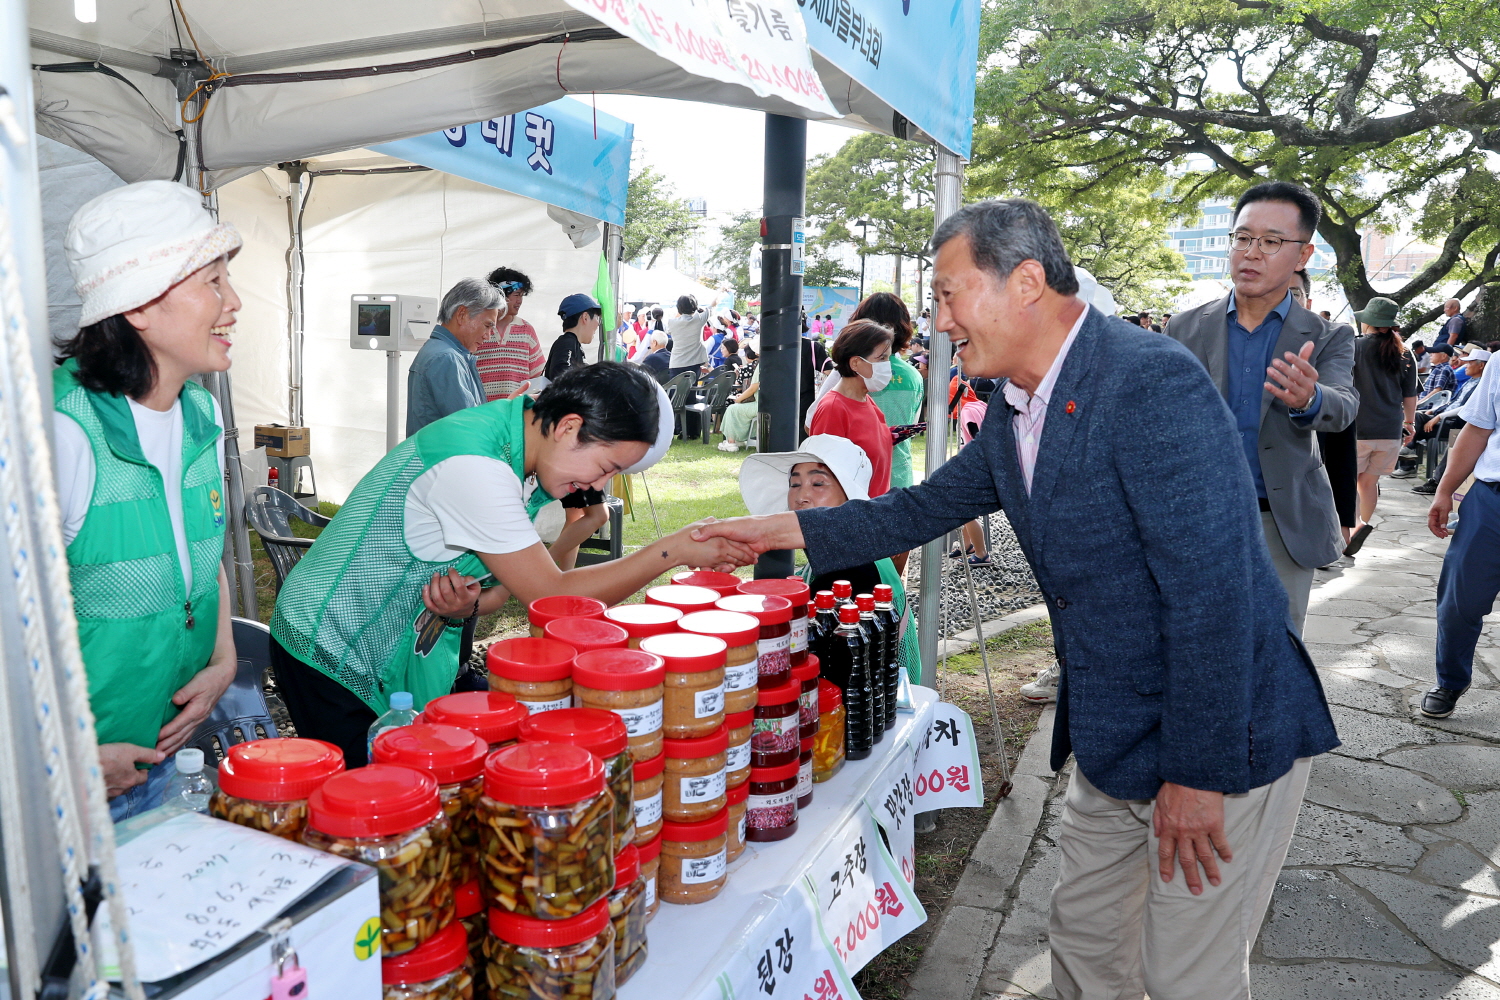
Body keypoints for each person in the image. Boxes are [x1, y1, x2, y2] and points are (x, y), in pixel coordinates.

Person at [692, 198, 1338, 1000]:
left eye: (949, 294)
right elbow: (920, 509)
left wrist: (1198, 777)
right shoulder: (1012, 402)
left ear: (1026, 281)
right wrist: (766, 532)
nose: (939, 321)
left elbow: (1217, 600)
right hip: (1114, 734)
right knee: (1086, 943)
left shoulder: (1149, 383)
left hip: (1219, 739)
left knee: (1186, 976)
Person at [269, 363, 751, 765]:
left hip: (394, 645)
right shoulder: (476, 466)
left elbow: (506, 588)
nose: (596, 486)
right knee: (372, 801)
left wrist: (470, 605)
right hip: (331, 645)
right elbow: (552, 598)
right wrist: (673, 551)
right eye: (605, 468)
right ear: (568, 427)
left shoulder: (523, 450)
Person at [54, 181, 242, 819]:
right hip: (66, 791)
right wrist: (68, 754)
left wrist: (223, 659)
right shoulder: (59, 433)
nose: (234, 302)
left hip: (164, 761)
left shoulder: (199, 416)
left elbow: (204, 554)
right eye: (212, 282)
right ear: (137, 306)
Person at [1166, 180, 1356, 634]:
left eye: (1271, 242)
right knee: (1196, 650)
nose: (1251, 253)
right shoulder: (1185, 328)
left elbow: (1343, 406)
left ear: (1303, 256)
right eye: (1243, 238)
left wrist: (1310, 399)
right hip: (1198, 518)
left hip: (1281, 522)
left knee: (1278, 658)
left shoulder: (1327, 335)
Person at [740, 435, 920, 680]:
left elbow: (834, 668)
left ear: (849, 496)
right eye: (795, 484)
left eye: (818, 483)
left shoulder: (852, 567)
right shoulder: (847, 546)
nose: (801, 496)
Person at [1421, 352, 1500, 718]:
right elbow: (1478, 429)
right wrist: (1444, 490)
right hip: (1490, 499)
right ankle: (1450, 679)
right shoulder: (1499, 363)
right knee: (1459, 600)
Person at [1341, 297, 1418, 556]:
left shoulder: (1353, 347)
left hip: (1356, 428)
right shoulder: (1404, 352)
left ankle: (1353, 527)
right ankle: (1359, 528)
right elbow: (1410, 395)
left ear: (1368, 322)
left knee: (1348, 481)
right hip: (1390, 430)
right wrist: (1410, 423)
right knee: (1369, 482)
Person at [1296, 271, 1358, 555]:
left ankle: (1343, 531)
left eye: (1294, 293)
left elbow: (1344, 396)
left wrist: (1312, 396)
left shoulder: (1334, 338)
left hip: (1334, 425)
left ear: (1307, 301)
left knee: (1344, 472)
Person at [808, 320, 895, 497]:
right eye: (882, 358)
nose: (888, 365)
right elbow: (823, 481)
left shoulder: (867, 401)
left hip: (874, 515)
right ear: (855, 363)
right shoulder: (833, 409)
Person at [849, 293, 925, 489]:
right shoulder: (913, 375)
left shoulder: (856, 369)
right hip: (898, 478)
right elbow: (911, 425)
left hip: (856, 478)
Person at [406, 278, 499, 436]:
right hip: (443, 457)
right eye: (488, 326)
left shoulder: (441, 351)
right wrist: (508, 409)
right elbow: (470, 427)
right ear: (462, 315)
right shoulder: (446, 358)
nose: (488, 336)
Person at [1410, 349, 1490, 495]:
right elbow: (1453, 402)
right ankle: (1408, 454)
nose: (1465, 366)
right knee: (1414, 417)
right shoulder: (1470, 382)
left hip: (1456, 422)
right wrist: (1435, 411)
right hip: (1447, 417)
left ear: (1481, 366)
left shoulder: (1482, 385)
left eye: (1470, 363)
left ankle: (1434, 480)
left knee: (1457, 442)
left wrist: (1439, 417)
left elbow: (1466, 408)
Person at [475, 267, 543, 401]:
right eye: (516, 295)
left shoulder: (526, 330)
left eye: (522, 296)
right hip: (484, 411)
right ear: (500, 294)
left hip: (516, 411)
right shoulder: (478, 327)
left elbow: (538, 376)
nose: (520, 301)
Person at [544, 293, 600, 381]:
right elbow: (561, 376)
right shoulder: (567, 343)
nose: (598, 323)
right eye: (597, 317)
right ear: (585, 317)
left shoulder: (571, 343)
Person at [717, 350, 761, 452]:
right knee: (735, 408)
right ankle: (737, 439)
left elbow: (753, 388)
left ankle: (731, 442)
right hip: (765, 402)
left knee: (732, 409)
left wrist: (739, 399)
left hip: (760, 404)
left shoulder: (761, 365)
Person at [667, 295, 711, 379]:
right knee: (692, 390)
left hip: (676, 362)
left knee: (675, 390)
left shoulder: (671, 322)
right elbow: (712, 305)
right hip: (694, 362)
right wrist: (721, 291)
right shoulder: (699, 319)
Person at [1417, 342, 1457, 408]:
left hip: (1429, 408)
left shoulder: (1444, 369)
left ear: (1444, 356)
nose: (1430, 355)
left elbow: (1437, 391)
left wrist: (1418, 404)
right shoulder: (1438, 369)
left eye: (1434, 352)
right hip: (1424, 406)